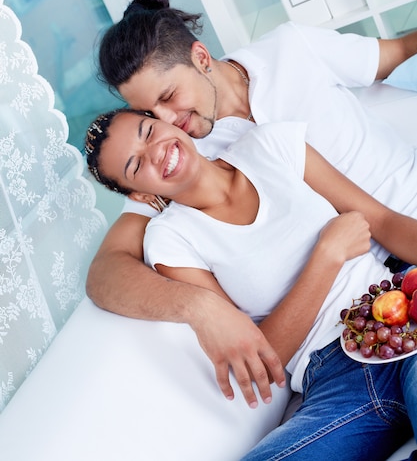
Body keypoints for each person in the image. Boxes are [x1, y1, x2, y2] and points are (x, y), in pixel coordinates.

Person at [87, 0, 417, 409]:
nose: (168, 120)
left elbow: (400, 51)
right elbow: (104, 275)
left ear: (201, 58)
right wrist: (201, 308)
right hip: (369, 290)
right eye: (150, 114)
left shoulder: (290, 48)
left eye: (169, 97)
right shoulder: (178, 160)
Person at [85, 108, 417, 460]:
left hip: (402, 312)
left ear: (167, 122)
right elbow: (263, 357)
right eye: (136, 166)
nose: (156, 152)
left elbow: (381, 219)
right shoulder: (170, 240)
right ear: (137, 194)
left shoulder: (271, 145)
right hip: (338, 376)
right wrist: (327, 255)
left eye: (148, 131)